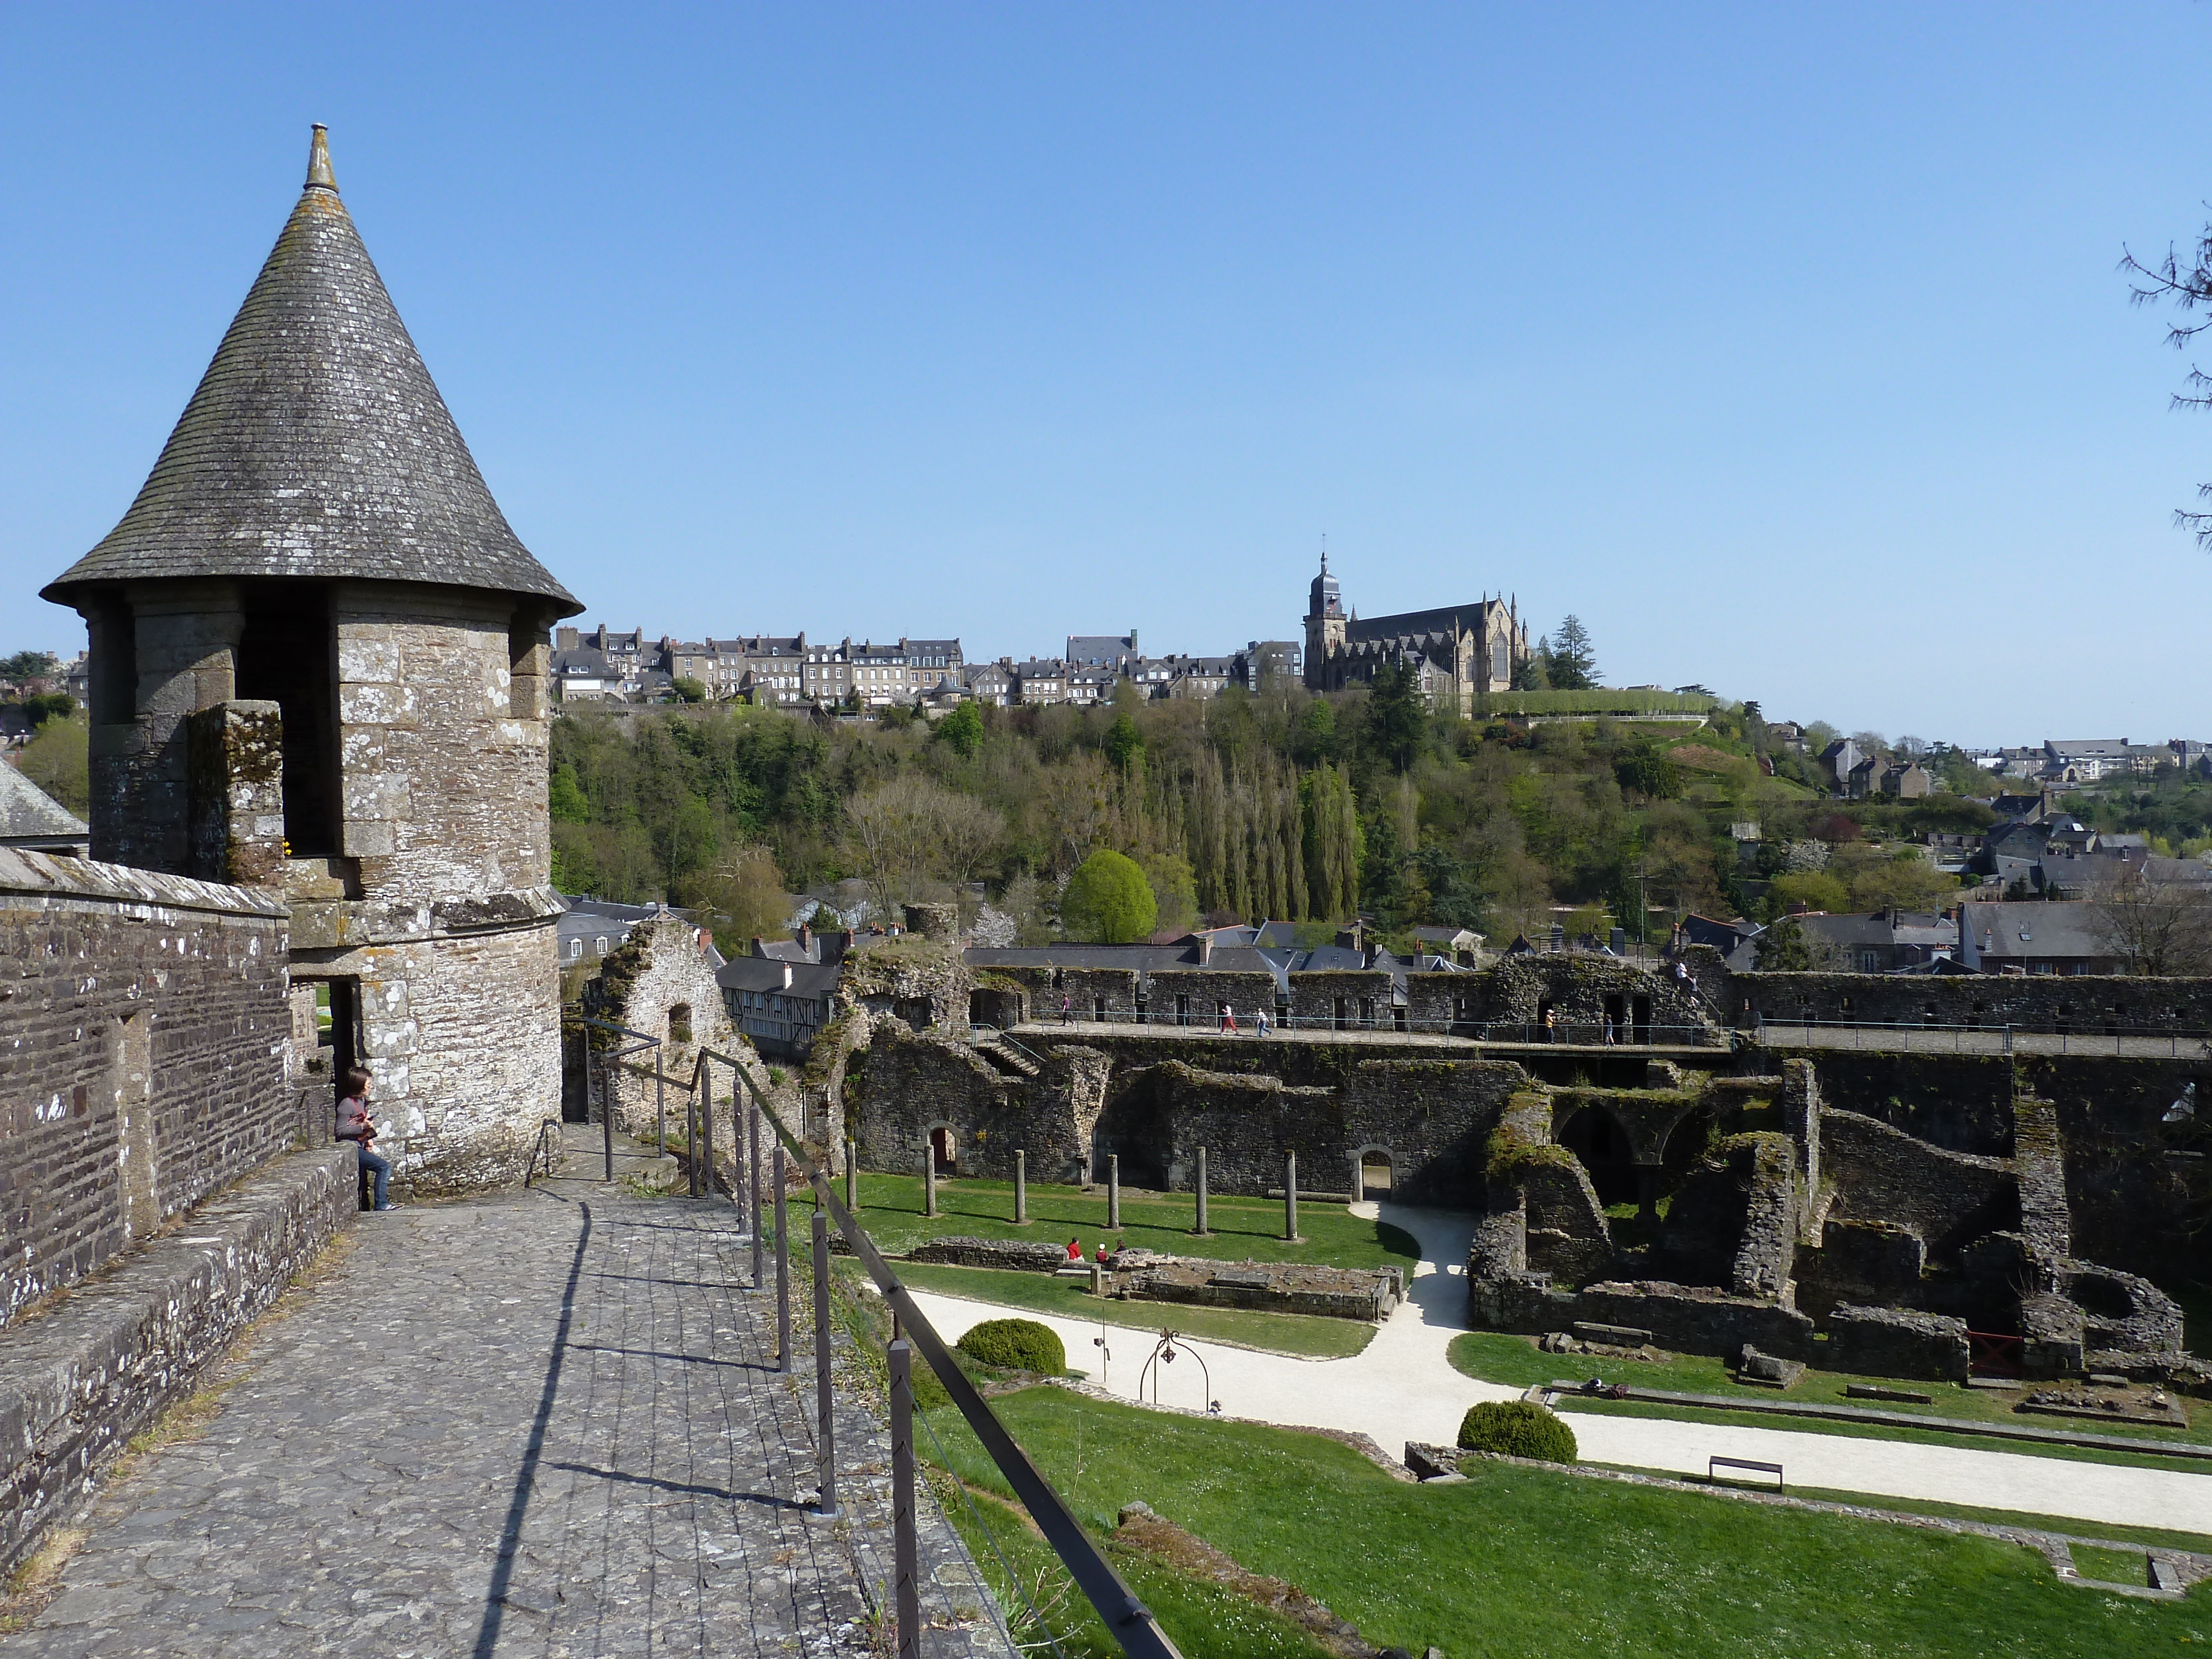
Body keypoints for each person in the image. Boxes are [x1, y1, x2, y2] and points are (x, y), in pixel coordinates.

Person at [335, 1067, 398, 1212]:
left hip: (359, 1144)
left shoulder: (362, 1101)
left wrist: (368, 1138)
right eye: (368, 1085)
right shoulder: (346, 1105)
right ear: (359, 1085)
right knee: (383, 1167)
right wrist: (362, 1127)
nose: (371, 1087)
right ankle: (381, 1204)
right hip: (349, 1147)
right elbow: (339, 1131)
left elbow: (360, 1122)